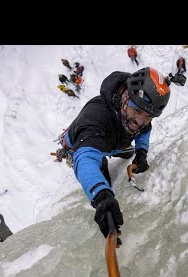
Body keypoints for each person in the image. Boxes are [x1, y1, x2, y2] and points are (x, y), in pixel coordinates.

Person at [58, 67, 171, 244]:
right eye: (137, 111)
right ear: (126, 98)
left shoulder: (134, 114)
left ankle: (121, 155)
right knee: (102, 177)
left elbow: (145, 130)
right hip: (86, 144)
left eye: (148, 116)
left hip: (114, 141)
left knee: (130, 151)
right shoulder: (96, 116)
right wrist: (102, 196)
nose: (140, 121)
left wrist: (141, 152)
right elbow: (86, 157)